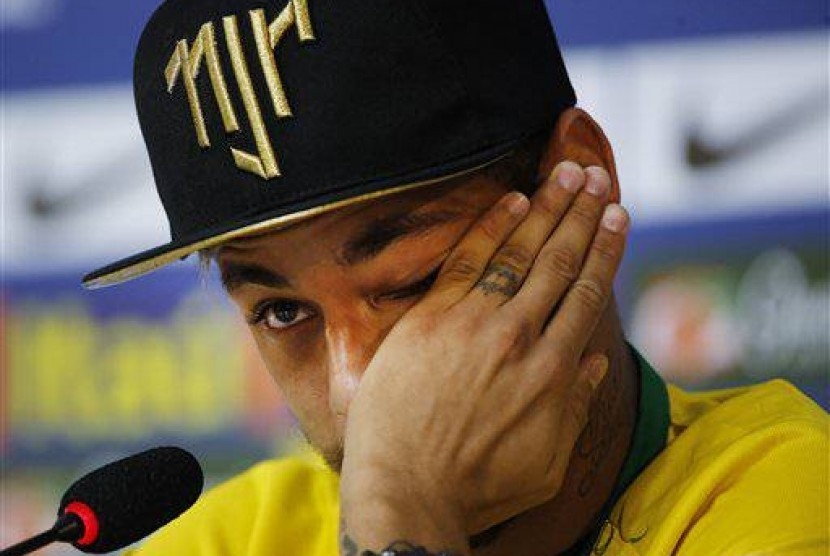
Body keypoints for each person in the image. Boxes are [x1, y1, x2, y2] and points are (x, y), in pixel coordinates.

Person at [83, 0, 828, 554]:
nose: (355, 395)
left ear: (581, 178)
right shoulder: (236, 540)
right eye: (283, 313)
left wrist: (402, 511)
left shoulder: (790, 496)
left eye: (410, 281)